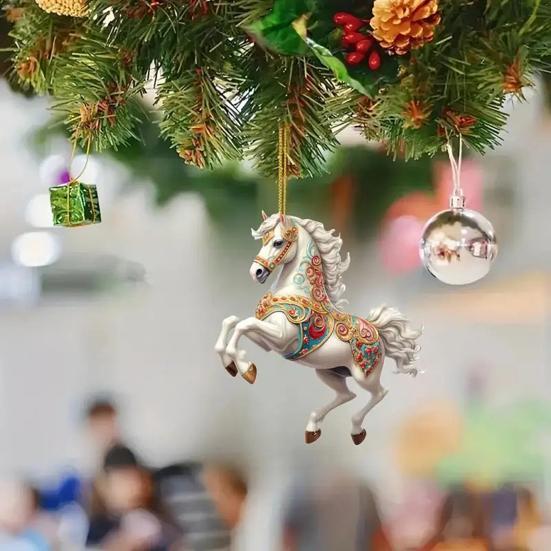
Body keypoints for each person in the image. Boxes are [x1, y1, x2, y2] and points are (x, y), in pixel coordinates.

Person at [86, 444, 184, 550]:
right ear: (105, 485)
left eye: (135, 478)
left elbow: (177, 542)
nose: (134, 486)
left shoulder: (156, 517)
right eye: (124, 480)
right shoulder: (98, 525)